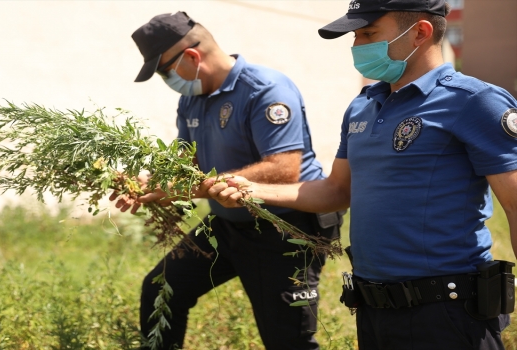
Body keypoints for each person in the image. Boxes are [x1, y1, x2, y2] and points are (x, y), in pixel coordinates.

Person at [207, 0, 517, 349]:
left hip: (447, 314)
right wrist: (252, 190)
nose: (357, 46)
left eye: (368, 33)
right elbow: (337, 190)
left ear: (420, 32)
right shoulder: (364, 104)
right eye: (356, 36)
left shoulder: (473, 101)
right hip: (373, 310)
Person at [123, 11, 343, 350]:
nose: (166, 79)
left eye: (165, 70)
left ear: (192, 57)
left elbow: (284, 168)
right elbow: (188, 164)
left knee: (287, 340)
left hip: (286, 226)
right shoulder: (191, 99)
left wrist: (186, 188)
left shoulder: (264, 89)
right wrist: (148, 182)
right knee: (160, 291)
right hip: (227, 225)